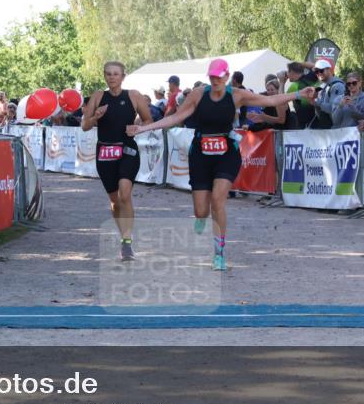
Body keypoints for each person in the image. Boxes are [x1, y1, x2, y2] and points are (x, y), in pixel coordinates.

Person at [128, 58, 306, 271]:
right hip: (201, 154)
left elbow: (269, 100)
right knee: (201, 210)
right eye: (212, 76)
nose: (215, 80)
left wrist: (298, 94)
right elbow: (175, 118)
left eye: (219, 77)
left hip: (227, 153)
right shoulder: (198, 95)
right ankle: (201, 217)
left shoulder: (237, 95)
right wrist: (143, 129)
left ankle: (219, 253)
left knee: (218, 200)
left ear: (227, 76)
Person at [81, 61, 153, 261]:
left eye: (115, 74)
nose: (112, 77)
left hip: (127, 150)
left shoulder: (134, 96)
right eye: (108, 74)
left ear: (123, 76)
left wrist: (137, 128)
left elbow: (148, 120)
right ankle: (124, 238)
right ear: (104, 76)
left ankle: (127, 243)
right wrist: (95, 117)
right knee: (115, 201)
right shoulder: (98, 96)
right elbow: (85, 126)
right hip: (105, 152)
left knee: (125, 194)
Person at [309, 60, 346, 128]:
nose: (319, 73)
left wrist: (316, 102)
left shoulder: (337, 86)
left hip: (337, 129)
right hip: (327, 127)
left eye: (321, 70)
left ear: (329, 70)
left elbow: (333, 109)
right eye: (316, 72)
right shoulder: (322, 86)